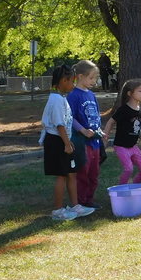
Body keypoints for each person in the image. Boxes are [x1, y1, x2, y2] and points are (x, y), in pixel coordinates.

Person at [41, 65, 94, 221]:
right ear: (63, 81)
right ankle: (57, 210)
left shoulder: (61, 98)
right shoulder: (56, 100)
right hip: (57, 141)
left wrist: (68, 141)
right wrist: (66, 143)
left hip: (64, 140)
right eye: (71, 81)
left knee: (71, 173)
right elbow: (59, 125)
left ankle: (75, 205)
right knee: (62, 176)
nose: (72, 85)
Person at [66, 60, 103, 208]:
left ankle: (89, 199)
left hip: (95, 142)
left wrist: (100, 132)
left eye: (95, 78)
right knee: (83, 174)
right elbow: (70, 117)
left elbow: (96, 116)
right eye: (91, 78)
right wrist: (82, 130)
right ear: (80, 76)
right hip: (82, 142)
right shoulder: (73, 95)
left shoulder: (91, 95)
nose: (94, 81)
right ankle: (81, 201)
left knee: (94, 174)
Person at [103, 78, 141, 186]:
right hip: (121, 146)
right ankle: (121, 191)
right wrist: (105, 137)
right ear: (130, 93)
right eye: (140, 90)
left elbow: (137, 127)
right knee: (128, 169)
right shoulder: (123, 110)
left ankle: (134, 187)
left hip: (133, 146)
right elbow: (111, 122)